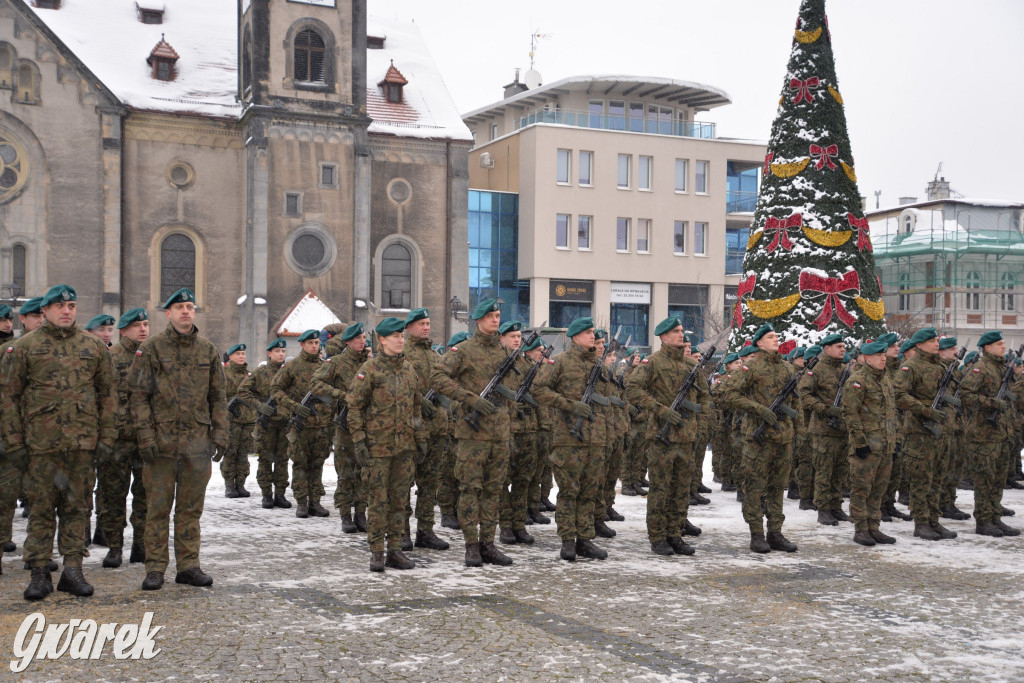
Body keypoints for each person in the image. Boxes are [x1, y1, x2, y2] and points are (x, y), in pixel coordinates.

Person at [2, 284, 117, 599]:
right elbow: (8, 398)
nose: (66, 311)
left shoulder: (93, 347)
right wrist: (14, 442)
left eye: (72, 306)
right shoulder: (24, 348)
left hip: (82, 446)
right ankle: (39, 573)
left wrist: (107, 436)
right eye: (59, 307)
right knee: (40, 509)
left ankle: (72, 570)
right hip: (40, 447)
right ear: (46, 311)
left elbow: (108, 395)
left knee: (77, 509)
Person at [129, 287, 227, 590]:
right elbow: (138, 396)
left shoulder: (207, 350)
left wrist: (220, 434)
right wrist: (145, 436)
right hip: (160, 445)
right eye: (179, 307)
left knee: (190, 510)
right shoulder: (152, 349)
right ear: (168, 313)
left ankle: (188, 566)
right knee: (157, 508)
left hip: (197, 445)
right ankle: (155, 568)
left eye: (190, 306)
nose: (186, 311)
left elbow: (218, 397)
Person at [430, 298, 515, 568]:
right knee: (470, 489)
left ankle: (488, 543)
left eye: (498, 315)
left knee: (494, 490)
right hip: (472, 433)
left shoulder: (503, 352)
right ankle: (471, 546)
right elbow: (437, 377)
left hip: (499, 432)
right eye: (490, 316)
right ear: (478, 320)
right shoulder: (463, 350)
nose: (495, 320)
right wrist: (469, 398)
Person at [346, 318, 428, 572]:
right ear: (382, 340)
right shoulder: (369, 370)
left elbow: (416, 406)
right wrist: (359, 440)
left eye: (402, 336)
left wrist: (420, 436)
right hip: (377, 448)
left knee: (400, 501)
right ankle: (377, 552)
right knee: (378, 501)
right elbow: (354, 407)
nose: (401, 340)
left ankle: (395, 550)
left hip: (404, 448)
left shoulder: (408, 369)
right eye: (395, 336)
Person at [626, 316, 711, 556]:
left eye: (682, 331)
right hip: (661, 439)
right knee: (661, 490)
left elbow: (705, 397)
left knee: (681, 489)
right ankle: (658, 537)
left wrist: (698, 419)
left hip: (686, 437)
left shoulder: (690, 366)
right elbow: (633, 389)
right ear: (663, 337)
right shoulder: (652, 363)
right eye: (675, 331)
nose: (681, 335)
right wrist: (661, 410)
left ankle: (675, 534)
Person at [532, 316, 609, 562]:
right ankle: (567, 540)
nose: (592, 336)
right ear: (575, 337)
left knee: (589, 492)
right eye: (588, 332)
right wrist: (569, 406)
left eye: (593, 333)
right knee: (569, 492)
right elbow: (539, 390)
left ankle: (585, 539)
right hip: (568, 437)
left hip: (595, 438)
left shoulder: (599, 365)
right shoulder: (560, 362)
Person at [720, 323, 799, 553]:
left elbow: (796, 403)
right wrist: (758, 408)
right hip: (758, 438)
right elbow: (727, 394)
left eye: (777, 336)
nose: (776, 339)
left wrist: (798, 430)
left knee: (777, 487)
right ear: (759, 343)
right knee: (754, 487)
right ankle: (756, 534)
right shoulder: (750, 367)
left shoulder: (787, 369)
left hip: (783, 437)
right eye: (771, 337)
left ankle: (775, 532)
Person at [892, 327, 958, 542]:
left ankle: (933, 520)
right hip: (920, 432)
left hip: (941, 432)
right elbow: (899, 395)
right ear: (919, 345)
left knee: (938, 478)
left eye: (937, 340)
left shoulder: (941, 366)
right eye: (931, 341)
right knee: (921, 480)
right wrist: (926, 410)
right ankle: (921, 523)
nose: (936, 343)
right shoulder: (910, 367)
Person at [97, 307, 150, 568]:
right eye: (137, 325)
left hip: (145, 439)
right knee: (113, 496)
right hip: (117, 439)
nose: (143, 329)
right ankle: (114, 547)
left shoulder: (153, 357)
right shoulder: (110, 357)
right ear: (123, 331)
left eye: (146, 324)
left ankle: (140, 545)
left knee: (145, 496)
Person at [959, 331, 1021, 537]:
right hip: (984, 434)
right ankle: (984, 520)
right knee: (985, 479)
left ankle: (995, 517)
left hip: (1002, 434)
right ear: (987, 347)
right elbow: (965, 396)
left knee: (998, 479)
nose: (1004, 347)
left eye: (1004, 344)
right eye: (999, 344)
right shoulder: (980, 369)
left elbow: (1012, 400)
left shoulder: (1002, 368)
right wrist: (992, 403)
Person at [310, 323, 369, 531]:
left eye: (363, 337)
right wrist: (340, 395)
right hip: (345, 425)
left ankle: (361, 514)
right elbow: (316, 384)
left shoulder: (371, 363)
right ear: (347, 342)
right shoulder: (336, 363)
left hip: (366, 424)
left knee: (364, 470)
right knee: (346, 472)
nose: (362, 341)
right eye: (358, 338)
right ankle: (345, 514)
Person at [402, 308, 451, 551]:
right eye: (421, 323)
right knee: (404, 482)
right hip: (412, 428)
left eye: (428, 323)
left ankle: (425, 530)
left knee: (430, 483)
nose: (426, 327)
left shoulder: (435, 355)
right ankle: (401, 531)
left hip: (437, 428)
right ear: (409, 327)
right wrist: (418, 400)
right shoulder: (402, 354)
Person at [841, 340, 898, 546]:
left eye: (884, 355)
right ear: (867, 358)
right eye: (878, 356)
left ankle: (874, 526)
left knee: (879, 489)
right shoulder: (857, 381)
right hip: (866, 446)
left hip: (885, 444)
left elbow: (891, 413)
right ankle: (861, 529)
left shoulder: (885, 379)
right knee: (861, 488)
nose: (883, 358)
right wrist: (859, 442)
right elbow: (850, 413)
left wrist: (894, 438)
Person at [272, 329, 331, 519]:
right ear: (302, 345)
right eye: (310, 343)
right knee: (300, 464)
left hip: (321, 425)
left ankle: (315, 502)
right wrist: (293, 406)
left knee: (317, 464)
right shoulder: (292, 366)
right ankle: (302, 503)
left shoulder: (326, 367)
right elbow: (276, 389)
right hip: (300, 424)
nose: (314, 346)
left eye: (316, 343)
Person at [799, 333, 851, 526]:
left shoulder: (845, 370)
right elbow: (804, 395)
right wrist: (825, 409)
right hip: (822, 429)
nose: (843, 349)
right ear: (827, 349)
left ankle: (836, 506)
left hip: (842, 428)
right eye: (838, 346)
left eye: (843, 346)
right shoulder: (817, 370)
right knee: (824, 471)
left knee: (840, 470)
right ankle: (823, 509)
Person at [239, 338, 292, 509]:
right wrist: (259, 406)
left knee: (283, 460)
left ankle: (280, 494)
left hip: (285, 423)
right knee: (265, 460)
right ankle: (267, 495)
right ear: (270, 354)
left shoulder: (290, 372)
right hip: (266, 424)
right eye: (277, 351)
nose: (281, 354)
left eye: (283, 351)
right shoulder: (260, 373)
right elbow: (243, 391)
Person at [498, 320, 538, 546]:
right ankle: (505, 525)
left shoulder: (527, 364)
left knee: (523, 480)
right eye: (512, 336)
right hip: (505, 429)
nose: (516, 340)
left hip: (527, 429)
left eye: (518, 337)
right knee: (503, 481)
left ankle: (518, 524)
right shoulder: (498, 362)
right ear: (501, 338)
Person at [437, 330, 470, 530]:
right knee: (447, 472)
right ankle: (447, 511)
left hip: (466, 428)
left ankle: (459, 509)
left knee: (462, 472)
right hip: (449, 427)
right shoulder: (446, 373)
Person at [222, 343, 257, 498]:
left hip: (248, 420)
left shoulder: (249, 376)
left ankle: (240, 484)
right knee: (230, 452)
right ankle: (229, 485)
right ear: (231, 357)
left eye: (243, 354)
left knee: (243, 453)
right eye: (238, 354)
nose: (241, 357)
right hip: (230, 421)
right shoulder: (223, 374)